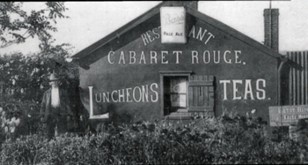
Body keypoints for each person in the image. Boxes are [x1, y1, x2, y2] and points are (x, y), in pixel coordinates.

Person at [39, 73, 74, 139]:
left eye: (55, 81)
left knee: (62, 132)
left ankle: (61, 145)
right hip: (50, 113)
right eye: (52, 81)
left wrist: (69, 114)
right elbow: (43, 105)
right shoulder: (46, 93)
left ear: (58, 82)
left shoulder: (63, 92)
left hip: (60, 113)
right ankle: (50, 146)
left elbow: (67, 104)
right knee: (49, 133)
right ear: (50, 83)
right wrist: (42, 115)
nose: (54, 82)